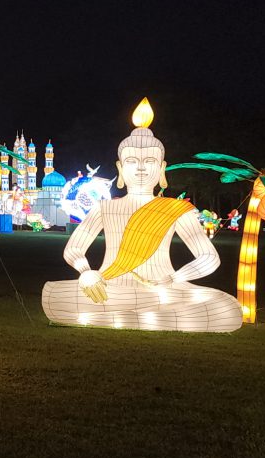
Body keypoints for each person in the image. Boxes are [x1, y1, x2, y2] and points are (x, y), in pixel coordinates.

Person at [40, 100, 242, 332]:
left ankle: (121, 317)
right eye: (132, 161)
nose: (141, 168)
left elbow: (209, 257)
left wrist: (175, 279)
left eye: (150, 161)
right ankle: (143, 317)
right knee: (57, 295)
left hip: (164, 289)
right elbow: (73, 249)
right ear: (120, 169)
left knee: (226, 308)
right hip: (109, 287)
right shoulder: (105, 208)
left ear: (162, 168)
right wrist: (86, 273)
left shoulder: (175, 209)